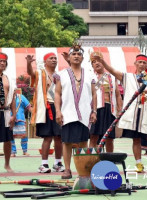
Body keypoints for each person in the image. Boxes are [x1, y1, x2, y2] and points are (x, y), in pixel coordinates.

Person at [92, 54, 147, 173]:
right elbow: (112, 71)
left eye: (143, 62)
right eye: (139, 62)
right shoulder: (127, 77)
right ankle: (138, 164)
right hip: (132, 114)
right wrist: (103, 62)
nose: (141, 64)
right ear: (135, 64)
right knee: (136, 140)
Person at [54, 44, 97, 179]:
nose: (76, 56)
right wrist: (57, 111)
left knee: (84, 141)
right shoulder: (61, 74)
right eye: (74, 54)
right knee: (66, 142)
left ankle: (82, 169)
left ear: (83, 58)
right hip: (68, 113)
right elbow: (57, 93)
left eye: (79, 54)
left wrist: (94, 111)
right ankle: (67, 169)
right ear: (70, 57)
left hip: (84, 113)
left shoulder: (90, 75)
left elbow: (94, 95)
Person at [26, 52, 64, 173]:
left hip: (58, 108)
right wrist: (28, 63)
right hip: (46, 108)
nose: (54, 60)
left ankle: (58, 162)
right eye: (51, 58)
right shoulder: (40, 73)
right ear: (45, 61)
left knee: (59, 137)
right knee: (47, 137)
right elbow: (30, 74)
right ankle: (44, 164)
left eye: (55, 58)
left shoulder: (59, 76)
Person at [88, 51, 122, 152]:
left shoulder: (112, 76)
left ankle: (109, 161)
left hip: (110, 110)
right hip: (96, 109)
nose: (97, 63)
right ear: (92, 65)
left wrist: (120, 110)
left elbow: (117, 94)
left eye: (98, 60)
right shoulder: (90, 77)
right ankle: (92, 161)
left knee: (109, 138)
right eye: (94, 62)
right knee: (94, 136)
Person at [10, 88, 32, 157]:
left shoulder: (21, 97)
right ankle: (13, 151)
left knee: (23, 135)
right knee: (10, 136)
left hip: (20, 118)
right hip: (10, 119)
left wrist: (35, 115)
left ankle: (25, 151)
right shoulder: (7, 98)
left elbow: (29, 107)